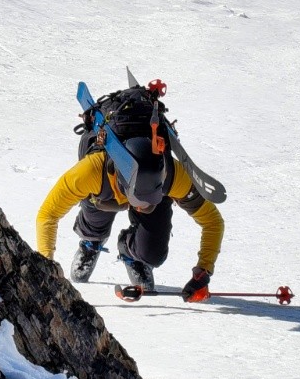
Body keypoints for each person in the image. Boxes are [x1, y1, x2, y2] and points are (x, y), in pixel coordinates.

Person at [35, 89, 224, 302]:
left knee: (153, 253)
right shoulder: (90, 171)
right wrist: (46, 267)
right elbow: (47, 215)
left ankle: (130, 251)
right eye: (140, 202)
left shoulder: (173, 175)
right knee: (97, 216)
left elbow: (213, 222)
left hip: (142, 188)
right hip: (105, 190)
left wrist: (203, 272)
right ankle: (91, 241)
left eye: (149, 202)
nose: (143, 207)